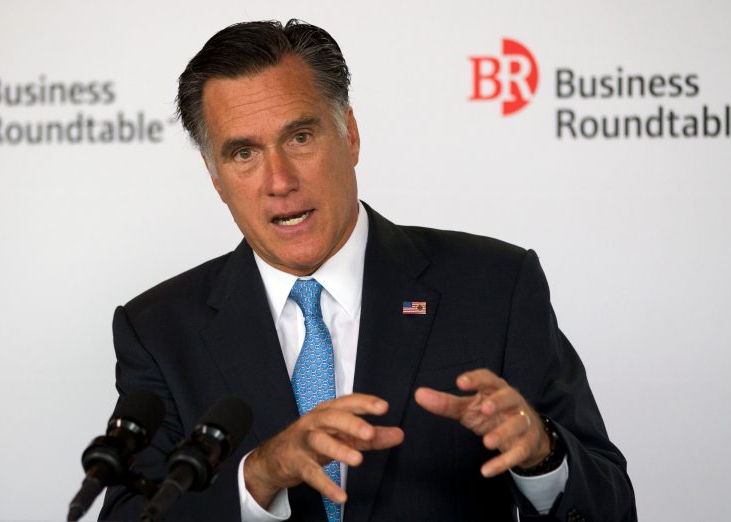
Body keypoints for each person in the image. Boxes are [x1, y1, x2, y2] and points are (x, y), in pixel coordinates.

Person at [100, 19, 636, 522]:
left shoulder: (494, 287)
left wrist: (543, 454)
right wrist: (258, 477)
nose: (279, 180)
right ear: (215, 177)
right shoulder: (158, 329)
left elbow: (612, 506)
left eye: (300, 137)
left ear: (350, 134)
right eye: (243, 153)